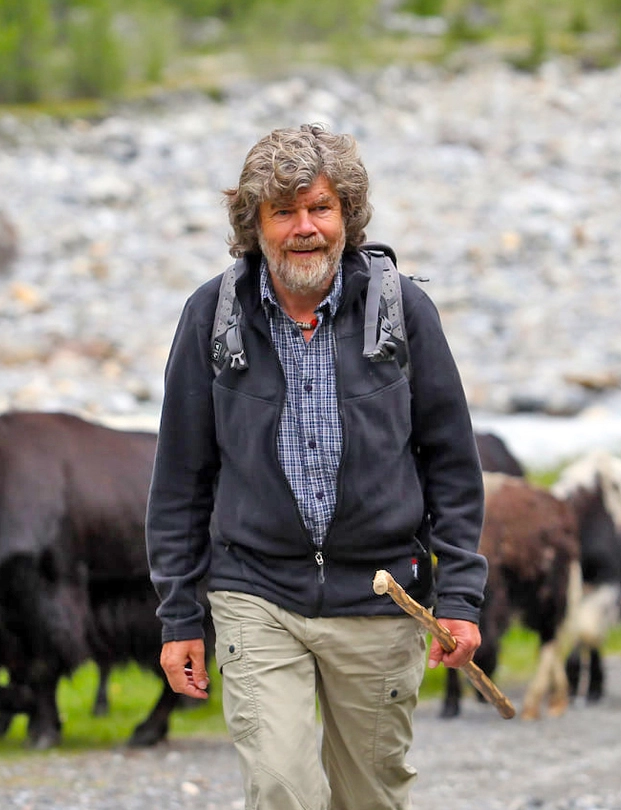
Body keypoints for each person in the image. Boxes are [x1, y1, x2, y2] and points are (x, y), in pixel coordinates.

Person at [147, 123, 488, 810]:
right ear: (256, 224)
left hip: (382, 596)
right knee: (282, 788)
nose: (305, 228)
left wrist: (459, 598)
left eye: (321, 208)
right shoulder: (213, 318)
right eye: (284, 211)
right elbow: (181, 478)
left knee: (369, 797)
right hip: (256, 593)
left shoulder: (402, 313)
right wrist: (179, 615)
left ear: (347, 216)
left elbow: (452, 463)